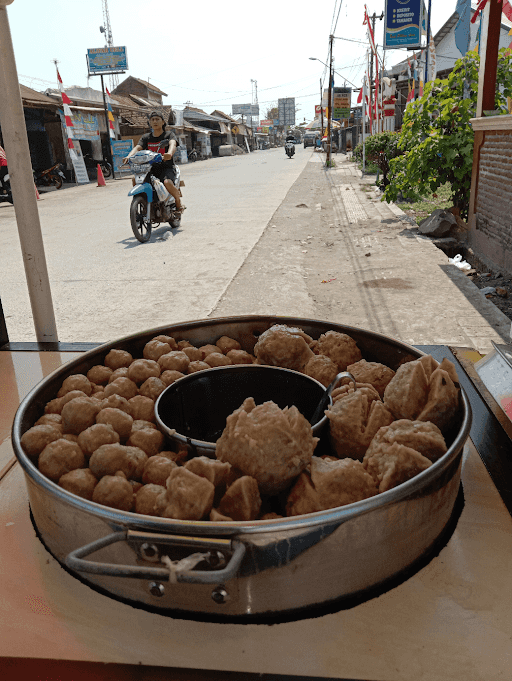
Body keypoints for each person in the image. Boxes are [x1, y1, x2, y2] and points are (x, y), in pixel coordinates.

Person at [122, 111, 185, 212]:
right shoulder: (146, 137)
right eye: (152, 120)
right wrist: (129, 156)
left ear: (163, 122)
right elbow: (138, 148)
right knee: (135, 180)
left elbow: (172, 144)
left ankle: (178, 202)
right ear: (150, 123)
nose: (155, 121)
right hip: (149, 169)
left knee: (167, 182)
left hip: (166, 168)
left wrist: (169, 153)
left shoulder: (168, 134)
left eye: (157, 119)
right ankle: (143, 202)